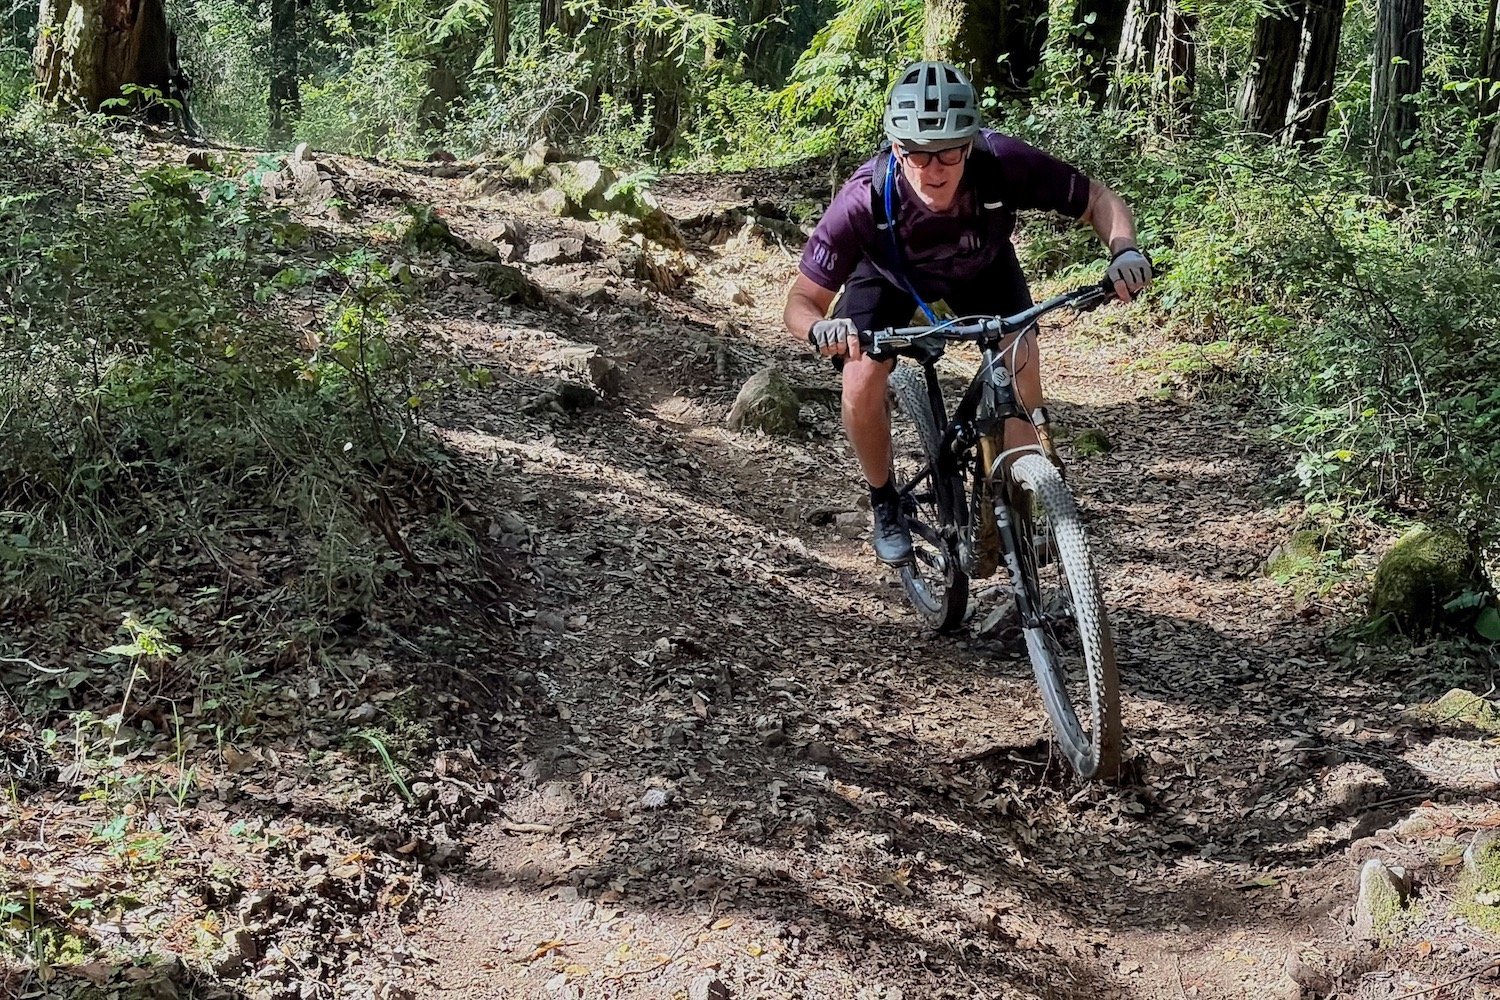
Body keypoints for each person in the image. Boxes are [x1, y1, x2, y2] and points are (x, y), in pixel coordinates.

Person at [783, 60, 1152, 566]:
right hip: (890, 276)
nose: (934, 170)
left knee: (1020, 362)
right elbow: (800, 301)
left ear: (971, 143)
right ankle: (885, 501)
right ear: (896, 148)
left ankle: (1018, 505)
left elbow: (1097, 199)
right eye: (917, 154)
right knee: (861, 373)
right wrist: (821, 326)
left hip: (983, 268)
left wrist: (1124, 249)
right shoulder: (862, 199)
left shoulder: (1002, 162)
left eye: (949, 152)